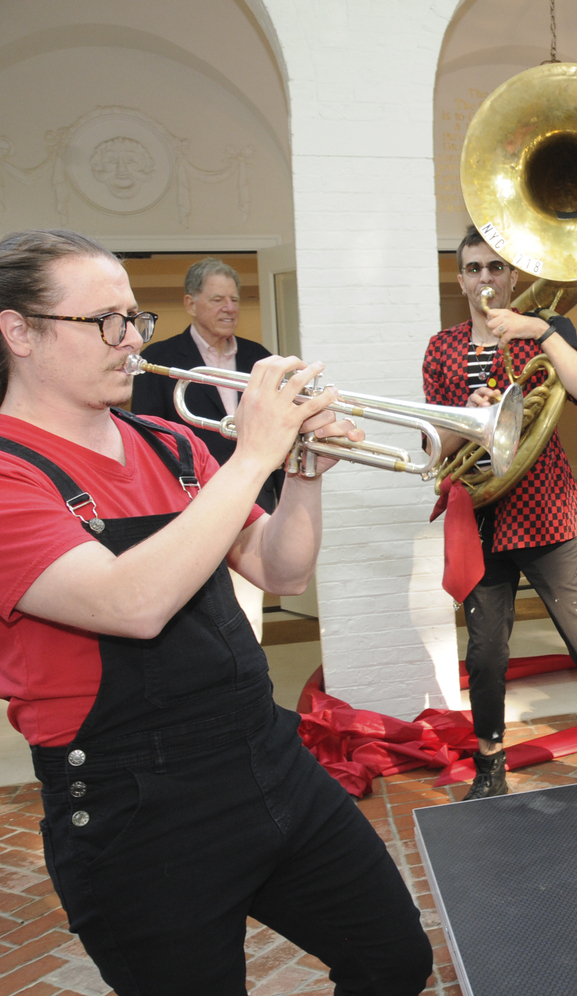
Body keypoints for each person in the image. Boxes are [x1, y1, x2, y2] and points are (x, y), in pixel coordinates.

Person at [0, 229, 432, 994]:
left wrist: (302, 474)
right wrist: (255, 456)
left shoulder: (169, 442)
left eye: (134, 317)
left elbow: (282, 571)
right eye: (103, 321)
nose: (130, 340)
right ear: (18, 331)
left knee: (395, 959)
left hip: (264, 757)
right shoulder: (10, 473)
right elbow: (131, 603)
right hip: (136, 807)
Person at [423, 227, 577, 800]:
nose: (485, 278)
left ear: (511, 276)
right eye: (473, 269)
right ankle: (491, 760)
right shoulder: (442, 348)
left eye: (494, 267)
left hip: (544, 508)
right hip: (482, 512)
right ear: (460, 279)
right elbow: (433, 442)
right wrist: (466, 415)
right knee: (486, 650)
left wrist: (541, 331)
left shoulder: (546, 332)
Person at [131, 257, 278, 641]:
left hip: (253, 502)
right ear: (190, 304)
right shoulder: (159, 359)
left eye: (234, 299)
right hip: (189, 505)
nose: (229, 308)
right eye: (217, 300)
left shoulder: (258, 357)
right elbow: (147, 436)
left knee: (248, 617)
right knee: (197, 617)